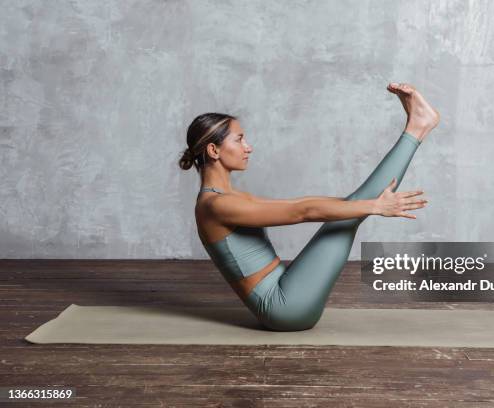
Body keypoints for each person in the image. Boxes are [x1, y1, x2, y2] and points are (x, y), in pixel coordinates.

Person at [179, 83, 440, 331]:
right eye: (239, 140)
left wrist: (359, 203)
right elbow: (302, 213)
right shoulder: (216, 205)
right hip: (282, 306)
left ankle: (418, 128)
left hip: (287, 292)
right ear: (214, 150)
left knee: (351, 208)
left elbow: (299, 203)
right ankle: (416, 129)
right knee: (352, 213)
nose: (248, 147)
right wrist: (373, 206)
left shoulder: (229, 197)